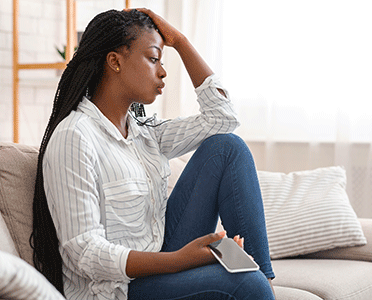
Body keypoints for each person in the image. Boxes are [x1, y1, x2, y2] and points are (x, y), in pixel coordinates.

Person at [31, 7, 276, 300]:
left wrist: (181, 41)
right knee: (246, 283)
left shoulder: (145, 133)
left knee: (227, 148)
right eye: (153, 59)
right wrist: (180, 260)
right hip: (119, 289)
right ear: (115, 61)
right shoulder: (75, 137)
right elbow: (84, 252)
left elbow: (222, 119)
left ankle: (266, 284)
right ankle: (260, 288)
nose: (162, 72)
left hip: (160, 258)